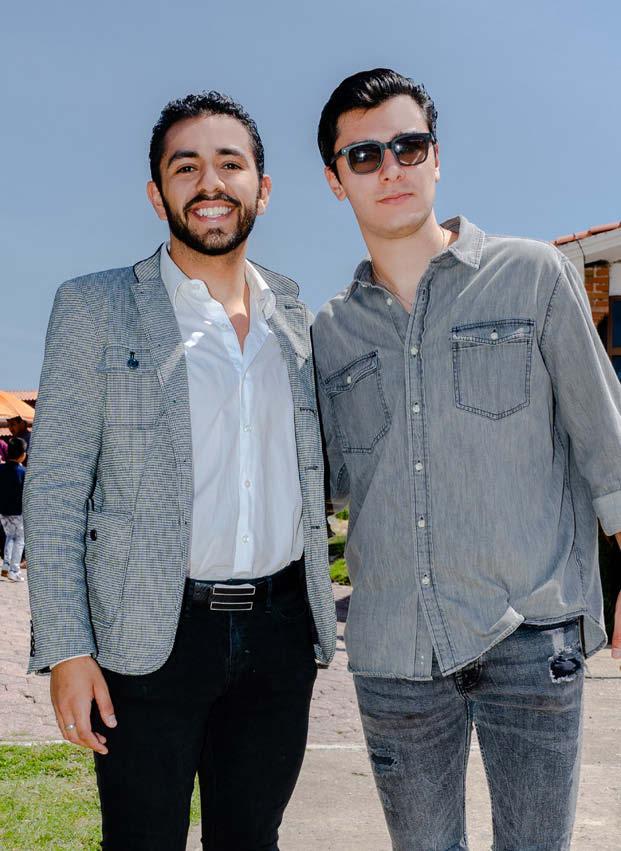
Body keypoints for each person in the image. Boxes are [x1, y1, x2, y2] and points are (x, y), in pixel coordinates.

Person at [312, 68, 621, 851]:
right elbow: (312, 488)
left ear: (436, 157)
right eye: (364, 155)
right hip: (393, 653)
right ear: (335, 180)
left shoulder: (534, 275)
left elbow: (607, 447)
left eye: (408, 146)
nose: (390, 168)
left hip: (530, 638)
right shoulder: (327, 336)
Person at [25, 90, 336, 851]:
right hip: (146, 636)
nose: (209, 183)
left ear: (262, 187)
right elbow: (56, 485)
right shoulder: (95, 307)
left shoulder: (295, 318)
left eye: (230, 163)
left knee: (251, 839)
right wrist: (67, 649)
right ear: (155, 192)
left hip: (279, 633)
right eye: (185, 166)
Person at [0, 436, 27, 581]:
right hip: (18, 512)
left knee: (9, 536)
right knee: (20, 539)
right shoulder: (23, 472)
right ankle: (14, 570)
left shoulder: (1, 469)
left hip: (3, 511)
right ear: (22, 455)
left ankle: (5, 565)